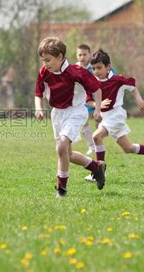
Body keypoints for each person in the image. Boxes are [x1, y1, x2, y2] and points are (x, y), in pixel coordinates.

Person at [34, 37, 107, 198]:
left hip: (75, 112)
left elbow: (97, 89)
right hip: (57, 114)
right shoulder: (44, 72)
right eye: (43, 60)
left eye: (48, 60)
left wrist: (98, 110)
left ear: (60, 57)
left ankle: (61, 189)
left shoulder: (76, 72)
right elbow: (38, 92)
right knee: (68, 154)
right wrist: (38, 108)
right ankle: (96, 167)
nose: (45, 64)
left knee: (61, 147)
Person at [87, 49, 144, 170]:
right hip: (106, 118)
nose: (96, 71)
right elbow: (88, 100)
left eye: (99, 68)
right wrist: (97, 105)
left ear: (108, 67)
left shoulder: (117, 80)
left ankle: (99, 170)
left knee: (96, 137)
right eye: (93, 69)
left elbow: (132, 87)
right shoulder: (93, 82)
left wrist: (139, 100)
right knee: (128, 148)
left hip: (116, 116)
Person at [76, 44, 116, 182]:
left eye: (84, 54)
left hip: (103, 103)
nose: (82, 57)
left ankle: (98, 164)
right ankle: (93, 149)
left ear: (89, 54)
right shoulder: (76, 68)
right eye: (79, 54)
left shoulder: (99, 66)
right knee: (87, 124)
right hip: (89, 102)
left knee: (99, 130)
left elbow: (114, 82)